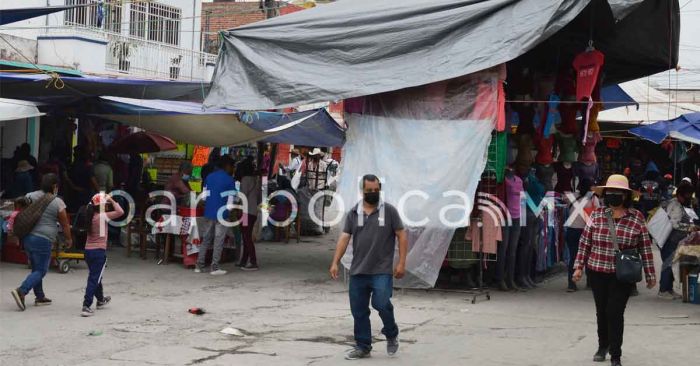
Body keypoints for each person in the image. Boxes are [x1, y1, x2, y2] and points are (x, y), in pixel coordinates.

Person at [573, 174, 656, 366]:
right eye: (610, 193)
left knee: (615, 312)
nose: (613, 196)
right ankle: (603, 346)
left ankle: (616, 354)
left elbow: (644, 247)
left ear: (626, 196)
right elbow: (585, 242)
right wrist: (578, 267)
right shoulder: (597, 214)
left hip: (622, 275)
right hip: (597, 271)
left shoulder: (636, 218)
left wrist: (651, 275)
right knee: (601, 311)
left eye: (618, 193)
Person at [329, 174, 408, 360]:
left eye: (376, 190)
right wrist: (335, 262)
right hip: (358, 270)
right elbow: (344, 237)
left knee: (381, 303)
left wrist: (402, 262)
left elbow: (402, 235)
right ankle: (363, 346)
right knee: (359, 310)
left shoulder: (389, 211)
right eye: (369, 191)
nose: (373, 193)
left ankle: (391, 332)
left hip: (381, 270)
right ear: (362, 191)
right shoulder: (354, 213)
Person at [11, 174, 73, 311]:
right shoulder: (57, 202)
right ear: (54, 186)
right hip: (43, 239)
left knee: (35, 268)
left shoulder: (30, 196)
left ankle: (40, 296)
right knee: (41, 270)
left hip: (27, 237)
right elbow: (65, 224)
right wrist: (68, 239)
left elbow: (19, 208)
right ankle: (22, 290)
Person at [80, 193, 123, 317]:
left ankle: (100, 299)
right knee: (94, 278)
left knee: (96, 276)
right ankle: (86, 305)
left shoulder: (90, 216)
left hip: (88, 251)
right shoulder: (102, 216)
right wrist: (111, 199)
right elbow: (120, 211)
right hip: (98, 252)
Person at [195, 155, 236, 275]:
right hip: (222, 214)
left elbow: (204, 196)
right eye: (232, 166)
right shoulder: (229, 180)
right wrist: (229, 214)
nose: (233, 169)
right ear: (227, 166)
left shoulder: (209, 177)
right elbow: (230, 201)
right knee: (218, 240)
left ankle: (199, 265)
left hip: (208, 211)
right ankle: (215, 267)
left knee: (206, 239)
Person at [659, 182, 698, 299]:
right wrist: (690, 228)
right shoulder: (675, 205)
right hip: (669, 240)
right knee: (668, 264)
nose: (688, 198)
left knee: (672, 263)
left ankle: (669, 289)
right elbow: (675, 225)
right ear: (680, 195)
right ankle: (663, 290)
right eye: (687, 196)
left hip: (675, 240)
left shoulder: (680, 204)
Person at [564, 179, 598, 292]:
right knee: (589, 258)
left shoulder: (571, 196)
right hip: (587, 232)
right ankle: (590, 283)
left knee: (573, 258)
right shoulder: (593, 198)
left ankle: (571, 284)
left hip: (572, 231)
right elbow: (597, 215)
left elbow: (563, 199)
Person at [237, 157, 262, 271]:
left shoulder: (245, 179)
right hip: (252, 212)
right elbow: (259, 198)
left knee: (246, 237)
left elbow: (242, 196)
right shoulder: (256, 180)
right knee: (246, 236)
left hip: (245, 212)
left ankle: (253, 261)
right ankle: (244, 260)